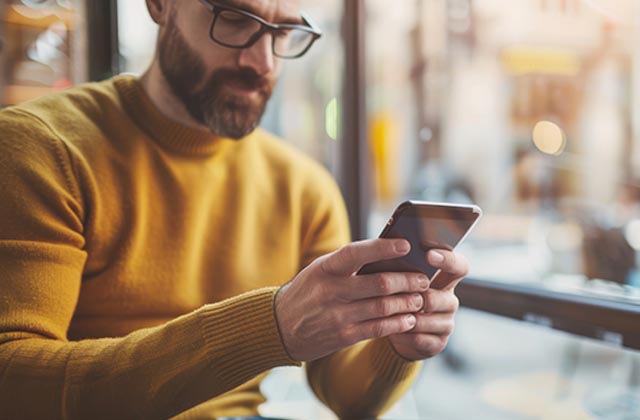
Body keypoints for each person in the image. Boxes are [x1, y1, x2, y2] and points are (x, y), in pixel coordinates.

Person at [0, 0, 468, 418]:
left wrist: (397, 345)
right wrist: (271, 326)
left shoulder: (304, 188)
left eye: (282, 32)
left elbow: (345, 396)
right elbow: (13, 383)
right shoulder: (39, 148)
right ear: (160, 5)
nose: (260, 61)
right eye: (232, 17)